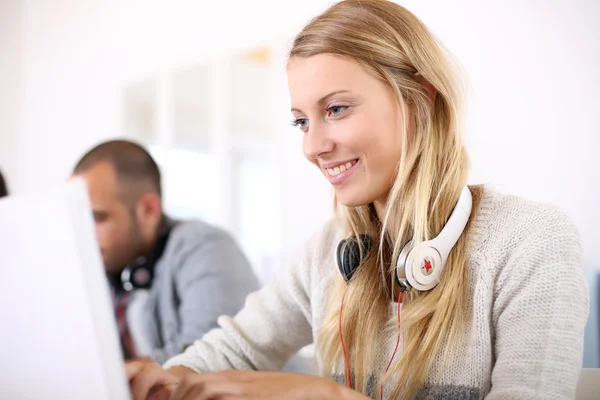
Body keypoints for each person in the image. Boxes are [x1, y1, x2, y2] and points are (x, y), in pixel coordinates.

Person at [126, 1, 589, 399]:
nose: (312, 146)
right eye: (301, 121)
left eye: (336, 109)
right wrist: (161, 380)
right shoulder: (329, 250)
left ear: (420, 100)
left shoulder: (532, 243)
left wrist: (330, 395)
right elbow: (233, 349)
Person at [72, 139, 260, 365]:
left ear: (148, 210)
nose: (82, 234)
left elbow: (208, 362)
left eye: (97, 218)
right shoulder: (105, 262)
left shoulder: (204, 245)